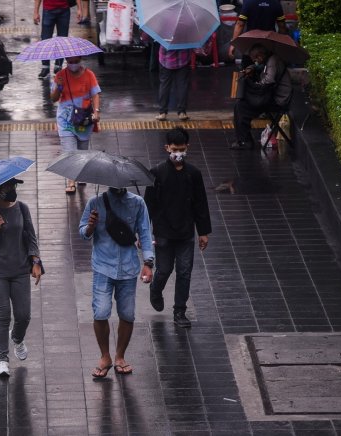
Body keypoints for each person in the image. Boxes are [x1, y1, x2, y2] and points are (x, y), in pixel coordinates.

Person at [79, 186, 154, 377]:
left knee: (127, 314)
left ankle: (120, 356)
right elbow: (83, 233)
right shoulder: (94, 203)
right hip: (102, 266)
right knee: (101, 312)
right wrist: (90, 226)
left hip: (128, 268)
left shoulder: (137, 203)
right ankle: (105, 356)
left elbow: (145, 233)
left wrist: (148, 262)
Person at [0, 178, 43, 377]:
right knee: (3, 315)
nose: (13, 190)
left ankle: (18, 338)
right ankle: (2, 360)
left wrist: (36, 261)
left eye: (14, 186)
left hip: (21, 270)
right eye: (8, 187)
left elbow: (30, 236)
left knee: (23, 315)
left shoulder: (22, 208)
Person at [144, 127, 211, 328]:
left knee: (184, 271)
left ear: (187, 148)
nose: (178, 153)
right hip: (163, 232)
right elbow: (147, 206)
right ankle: (156, 289)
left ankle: (179, 311)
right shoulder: (156, 173)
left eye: (182, 149)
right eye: (175, 149)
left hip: (185, 233)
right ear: (167, 148)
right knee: (164, 270)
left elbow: (201, 203)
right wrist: (143, 233)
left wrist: (203, 232)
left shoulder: (194, 174)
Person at [50, 56, 102, 193]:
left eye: (75, 62)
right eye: (70, 62)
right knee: (69, 151)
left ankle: (80, 173)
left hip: (83, 119)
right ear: (66, 61)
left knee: (82, 149)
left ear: (80, 60)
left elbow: (96, 94)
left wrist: (96, 111)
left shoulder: (89, 75)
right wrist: (59, 87)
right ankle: (71, 181)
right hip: (66, 119)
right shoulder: (60, 75)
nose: (73, 65)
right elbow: (53, 98)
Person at [230, 44, 292, 149]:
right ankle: (244, 139)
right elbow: (259, 66)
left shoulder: (273, 61)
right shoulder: (269, 59)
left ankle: (245, 141)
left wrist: (257, 86)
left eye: (255, 59)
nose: (255, 61)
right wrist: (251, 68)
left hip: (278, 100)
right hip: (271, 96)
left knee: (242, 107)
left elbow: (269, 81)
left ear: (260, 56)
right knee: (239, 105)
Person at [33, 0, 83, 79]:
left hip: (64, 10)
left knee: (62, 40)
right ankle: (45, 67)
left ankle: (58, 66)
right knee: (45, 40)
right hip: (48, 10)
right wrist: (36, 12)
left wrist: (79, 9)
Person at [155, 45, 193, 121]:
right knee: (182, 85)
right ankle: (182, 112)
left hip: (166, 59)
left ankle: (162, 113)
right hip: (183, 58)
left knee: (164, 85)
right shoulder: (186, 32)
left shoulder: (163, 32)